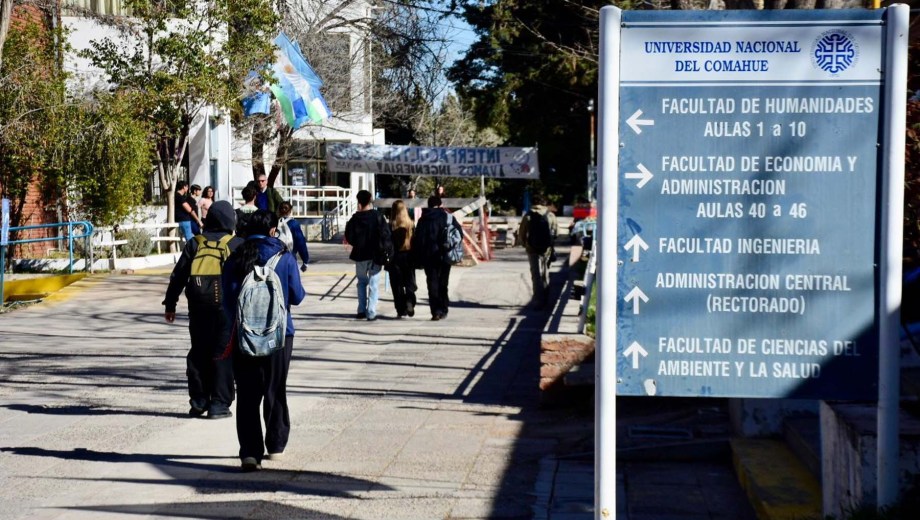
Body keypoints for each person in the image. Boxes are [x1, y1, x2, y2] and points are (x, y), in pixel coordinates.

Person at [221, 210, 305, 472]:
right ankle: (276, 445)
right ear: (272, 231)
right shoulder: (284, 257)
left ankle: (250, 453)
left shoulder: (236, 256)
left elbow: (227, 299)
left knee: (247, 393)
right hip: (280, 335)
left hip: (244, 333)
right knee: (275, 388)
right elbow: (297, 296)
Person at [163, 201, 243, 419]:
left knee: (198, 352)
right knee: (222, 353)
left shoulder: (195, 243)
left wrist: (170, 304)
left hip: (198, 309)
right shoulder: (236, 244)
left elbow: (178, 276)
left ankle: (198, 401)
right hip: (226, 309)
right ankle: (219, 404)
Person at [412, 195, 462, 321]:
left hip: (428, 257)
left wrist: (418, 257)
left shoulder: (423, 219)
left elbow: (418, 239)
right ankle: (443, 309)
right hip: (445, 255)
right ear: (440, 205)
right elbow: (459, 234)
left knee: (432, 283)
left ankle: (435, 311)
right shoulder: (447, 217)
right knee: (443, 283)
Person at [344, 189, 391, 321]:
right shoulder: (377, 217)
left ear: (358, 201)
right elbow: (385, 234)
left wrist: (357, 243)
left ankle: (361, 309)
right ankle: (371, 311)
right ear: (370, 199)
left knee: (361, 282)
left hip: (360, 254)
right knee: (374, 283)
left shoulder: (354, 219)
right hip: (375, 254)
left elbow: (349, 236)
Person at [518, 194, 559, 308]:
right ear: (544, 204)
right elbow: (556, 233)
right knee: (545, 273)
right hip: (546, 249)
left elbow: (522, 233)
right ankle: (546, 298)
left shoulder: (528, 215)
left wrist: (524, 244)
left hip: (532, 248)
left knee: (535, 274)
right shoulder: (550, 215)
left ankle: (538, 300)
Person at [388, 200, 417, 318]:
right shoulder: (411, 225)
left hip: (394, 258)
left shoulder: (391, 226)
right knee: (410, 283)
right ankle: (410, 300)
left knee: (397, 286)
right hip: (409, 256)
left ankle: (400, 310)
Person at [278, 201, 310, 272]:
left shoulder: (274, 222)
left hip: (274, 258)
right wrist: (305, 260)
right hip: (289, 256)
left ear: (279, 210)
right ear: (290, 210)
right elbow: (300, 243)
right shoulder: (293, 224)